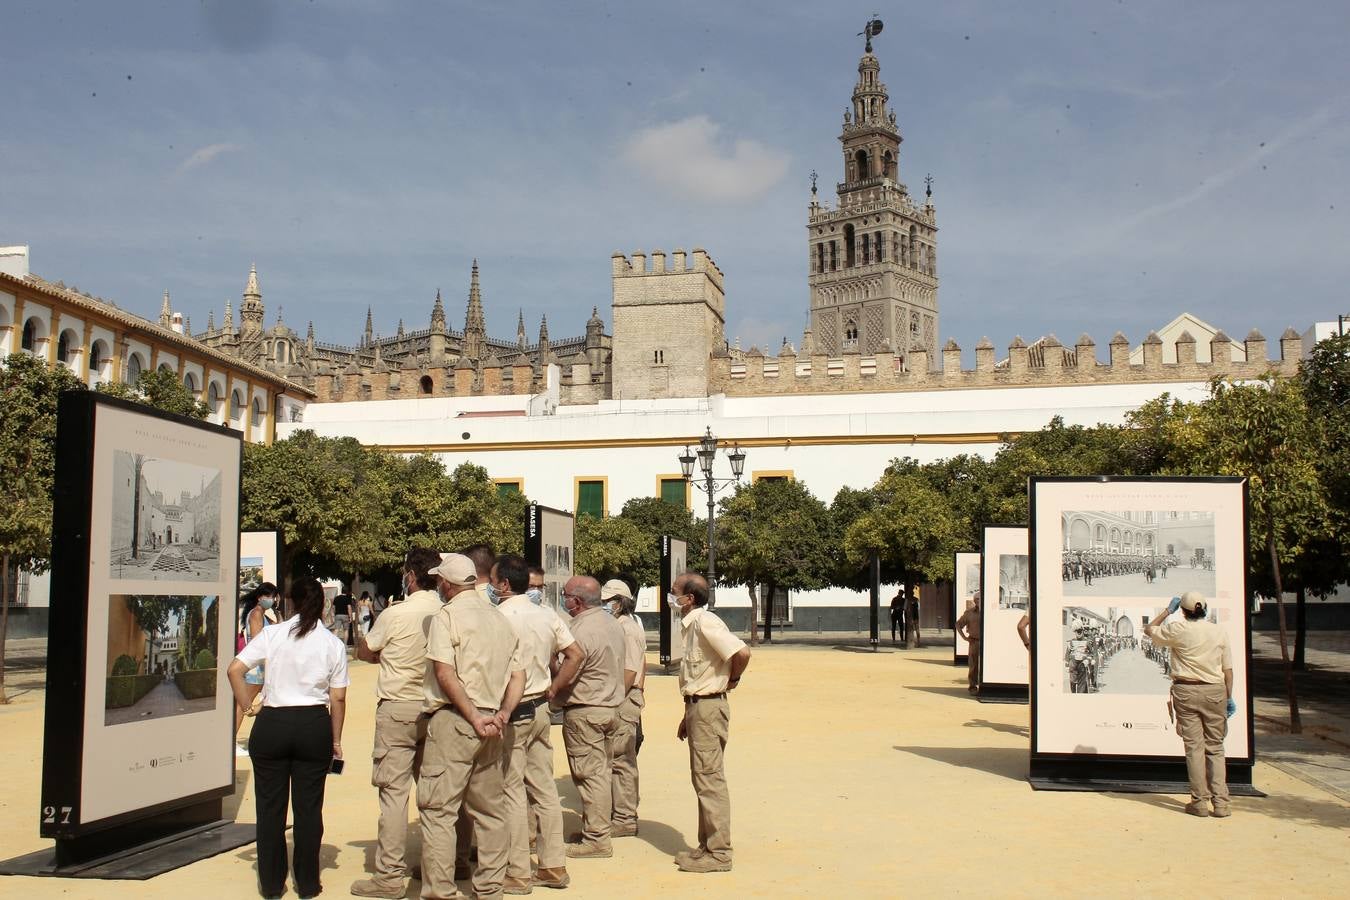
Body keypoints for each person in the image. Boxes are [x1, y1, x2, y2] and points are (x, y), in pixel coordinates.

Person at [228, 578, 348, 900]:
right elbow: (337, 699)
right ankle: (308, 883)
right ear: (323, 605)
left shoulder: (274, 633)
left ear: (289, 602)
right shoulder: (331, 643)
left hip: (273, 722)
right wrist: (335, 741)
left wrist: (247, 705)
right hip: (312, 725)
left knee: (270, 808)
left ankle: (270, 883)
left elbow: (234, 669)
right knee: (309, 809)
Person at [419, 553, 525, 900]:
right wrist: (503, 714)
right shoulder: (499, 619)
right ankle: (490, 889)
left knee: (438, 811)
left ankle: (440, 892)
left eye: (439, 581)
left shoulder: (446, 617)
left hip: (457, 719)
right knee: (491, 811)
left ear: (446, 583)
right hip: (493, 721)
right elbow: (518, 675)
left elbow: (444, 673)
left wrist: (472, 715)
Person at [349, 548, 444, 900]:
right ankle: (441, 867)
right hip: (435, 707)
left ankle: (389, 875)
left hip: (397, 707)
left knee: (393, 793)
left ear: (411, 576)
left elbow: (366, 649)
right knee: (435, 796)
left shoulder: (396, 613)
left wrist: (377, 652)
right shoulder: (444, 611)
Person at [493, 554, 584, 892]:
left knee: (512, 790)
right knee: (544, 789)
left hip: (513, 710)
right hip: (541, 708)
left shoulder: (498, 617)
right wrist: (555, 689)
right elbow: (576, 654)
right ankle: (553, 866)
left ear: (503, 584)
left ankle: (517, 871)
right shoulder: (546, 615)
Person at [670, 572, 750, 874]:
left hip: (708, 707)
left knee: (709, 780)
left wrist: (733, 678)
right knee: (702, 779)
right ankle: (706, 847)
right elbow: (696, 675)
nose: (671, 595)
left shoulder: (706, 622)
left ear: (689, 598)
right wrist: (687, 715)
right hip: (699, 708)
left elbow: (741, 652)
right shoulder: (690, 625)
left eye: (674, 591)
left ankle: (719, 852)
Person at [553, 575, 626, 860]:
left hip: (586, 710)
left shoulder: (580, 630)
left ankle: (596, 839)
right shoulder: (611, 623)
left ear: (577, 601)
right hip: (610, 708)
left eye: (565, 595)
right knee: (601, 773)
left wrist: (554, 685)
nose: (563, 598)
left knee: (589, 775)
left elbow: (571, 665)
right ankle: (596, 829)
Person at [1145, 592, 1235, 818]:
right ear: (1204, 609)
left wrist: (1167, 611)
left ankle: (1199, 802)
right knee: (1215, 747)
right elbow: (1228, 671)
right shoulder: (1218, 631)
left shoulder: (1178, 629)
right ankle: (1221, 803)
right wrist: (1228, 697)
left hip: (1186, 690)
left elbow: (1149, 630)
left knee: (1194, 748)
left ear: (1182, 610)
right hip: (1215, 691)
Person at [601, 578, 646, 838]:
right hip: (622, 695)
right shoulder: (620, 626)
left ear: (619, 603)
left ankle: (625, 817)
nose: (605, 605)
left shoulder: (627, 629)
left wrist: (613, 698)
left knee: (622, 760)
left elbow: (629, 670)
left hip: (623, 698)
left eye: (608, 601)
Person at [235, 581, 280, 755]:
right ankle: (230, 741)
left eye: (273, 597)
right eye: (269, 596)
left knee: (263, 702)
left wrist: (277, 611)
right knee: (243, 705)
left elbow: (279, 628)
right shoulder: (256, 614)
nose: (272, 599)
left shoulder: (263, 614)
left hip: (261, 667)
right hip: (257, 669)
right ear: (260, 597)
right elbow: (257, 641)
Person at [956, 591, 981, 695]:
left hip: (987, 643)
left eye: (981, 599)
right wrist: (965, 638)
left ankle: (984, 684)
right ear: (974, 601)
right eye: (978, 599)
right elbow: (958, 624)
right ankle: (972, 686)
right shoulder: (969, 613)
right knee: (973, 664)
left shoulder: (988, 612)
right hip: (974, 641)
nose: (980, 601)